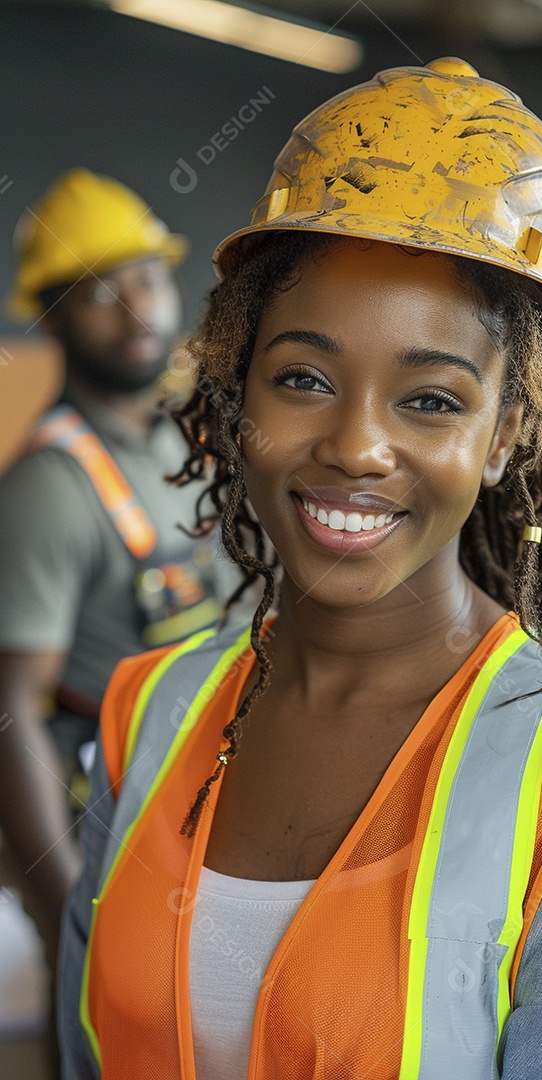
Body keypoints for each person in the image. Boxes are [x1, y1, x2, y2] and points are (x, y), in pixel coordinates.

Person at [59, 61, 542, 1079]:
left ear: (506, 434)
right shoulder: (148, 716)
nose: (357, 446)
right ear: (241, 397)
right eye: (305, 380)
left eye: (431, 399)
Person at [0, 168, 245, 976]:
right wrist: (66, 903)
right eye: (102, 290)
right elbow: (12, 714)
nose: (137, 305)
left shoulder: (175, 446)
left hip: (197, 806)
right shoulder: (49, 488)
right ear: (52, 317)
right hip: (106, 829)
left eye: (146, 277)